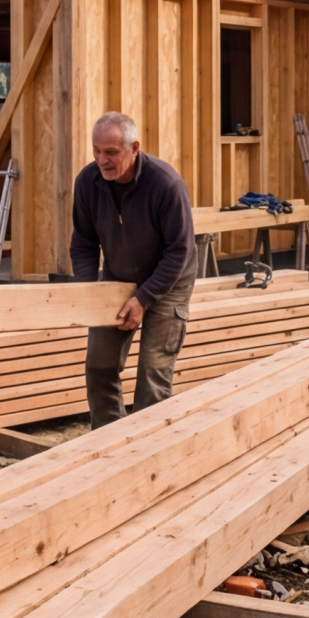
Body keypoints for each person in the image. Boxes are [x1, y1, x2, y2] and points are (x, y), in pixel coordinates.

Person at [70, 111, 195, 429]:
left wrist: (144, 298)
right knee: (99, 365)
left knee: (152, 373)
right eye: (96, 151)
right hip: (116, 278)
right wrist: (90, 291)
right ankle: (108, 441)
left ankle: (146, 449)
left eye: (111, 152)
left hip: (169, 281)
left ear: (134, 147)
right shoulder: (88, 182)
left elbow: (178, 251)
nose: (102, 160)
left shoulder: (165, 185)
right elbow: (83, 242)